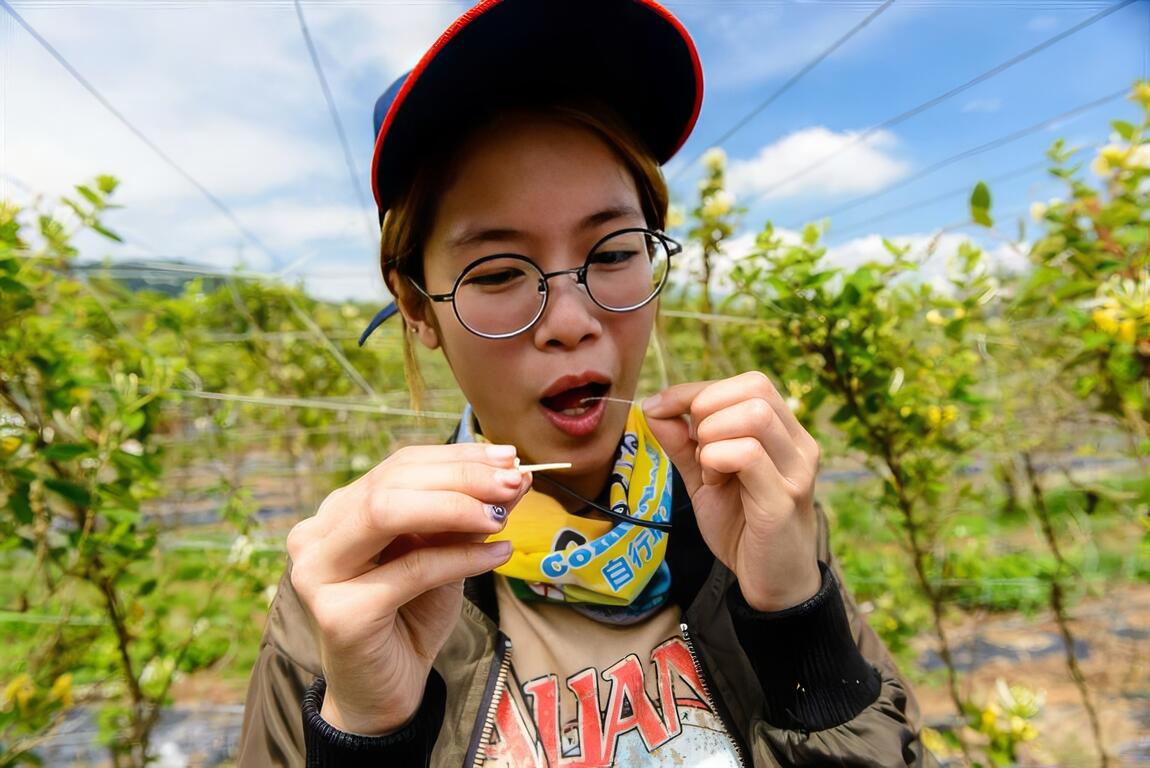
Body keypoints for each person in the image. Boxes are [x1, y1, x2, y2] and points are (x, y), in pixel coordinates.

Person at [237, 1, 939, 765]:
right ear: (416, 307)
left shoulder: (748, 517)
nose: (571, 321)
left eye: (612, 254)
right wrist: (366, 736)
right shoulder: (352, 595)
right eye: (498, 272)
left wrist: (798, 624)